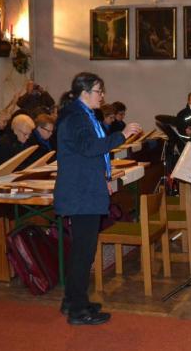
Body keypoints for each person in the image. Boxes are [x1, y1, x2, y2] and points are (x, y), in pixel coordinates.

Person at [54, 72, 141, 325]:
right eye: (98, 91)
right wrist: (122, 136)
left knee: (83, 249)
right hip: (80, 192)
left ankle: (73, 300)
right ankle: (78, 310)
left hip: (87, 187)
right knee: (83, 251)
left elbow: (88, 153)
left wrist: (103, 177)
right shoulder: (75, 117)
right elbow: (90, 147)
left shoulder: (84, 115)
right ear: (84, 93)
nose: (102, 96)